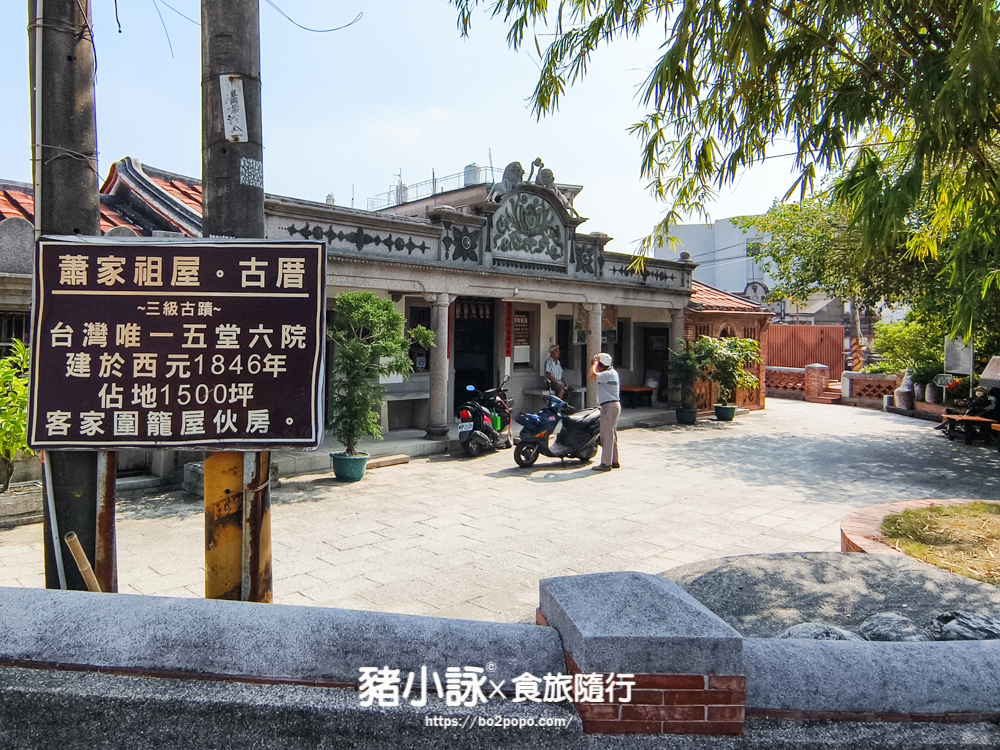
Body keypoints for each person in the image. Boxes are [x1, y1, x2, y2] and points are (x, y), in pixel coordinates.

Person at [589, 352, 620, 471]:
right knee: (611, 434)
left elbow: (591, 376)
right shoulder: (612, 372)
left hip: (609, 406)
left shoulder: (607, 374)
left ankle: (606, 464)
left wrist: (595, 363)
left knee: (606, 435)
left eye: (599, 364)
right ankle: (614, 460)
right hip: (612, 405)